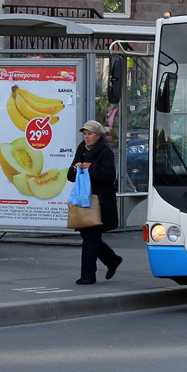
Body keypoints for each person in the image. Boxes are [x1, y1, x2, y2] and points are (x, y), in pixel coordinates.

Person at [67, 120, 123, 285]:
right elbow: (71, 176)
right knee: (87, 235)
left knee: (90, 237)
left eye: (90, 134)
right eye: (85, 134)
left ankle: (88, 275)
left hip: (99, 202)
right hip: (83, 199)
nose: (86, 137)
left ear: (98, 135)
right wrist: (75, 168)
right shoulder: (82, 148)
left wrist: (91, 168)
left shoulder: (105, 151)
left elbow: (110, 176)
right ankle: (112, 260)